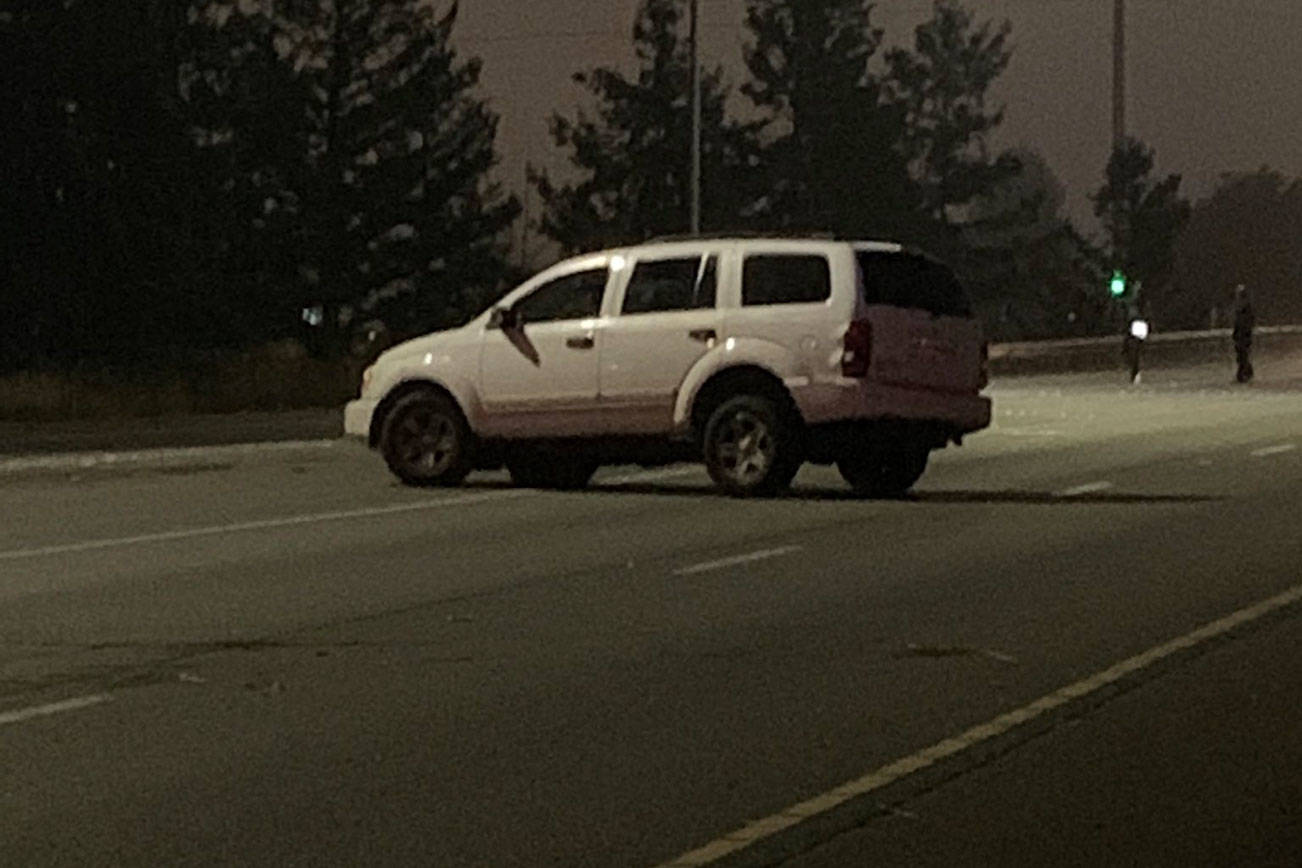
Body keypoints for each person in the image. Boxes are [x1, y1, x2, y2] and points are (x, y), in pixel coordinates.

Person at [1232, 284, 1255, 383]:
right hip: (1241, 334)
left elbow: (1246, 321)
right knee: (1242, 354)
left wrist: (1243, 333)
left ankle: (1243, 374)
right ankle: (1246, 373)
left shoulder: (1244, 306)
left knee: (1242, 354)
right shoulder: (1241, 306)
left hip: (1243, 334)